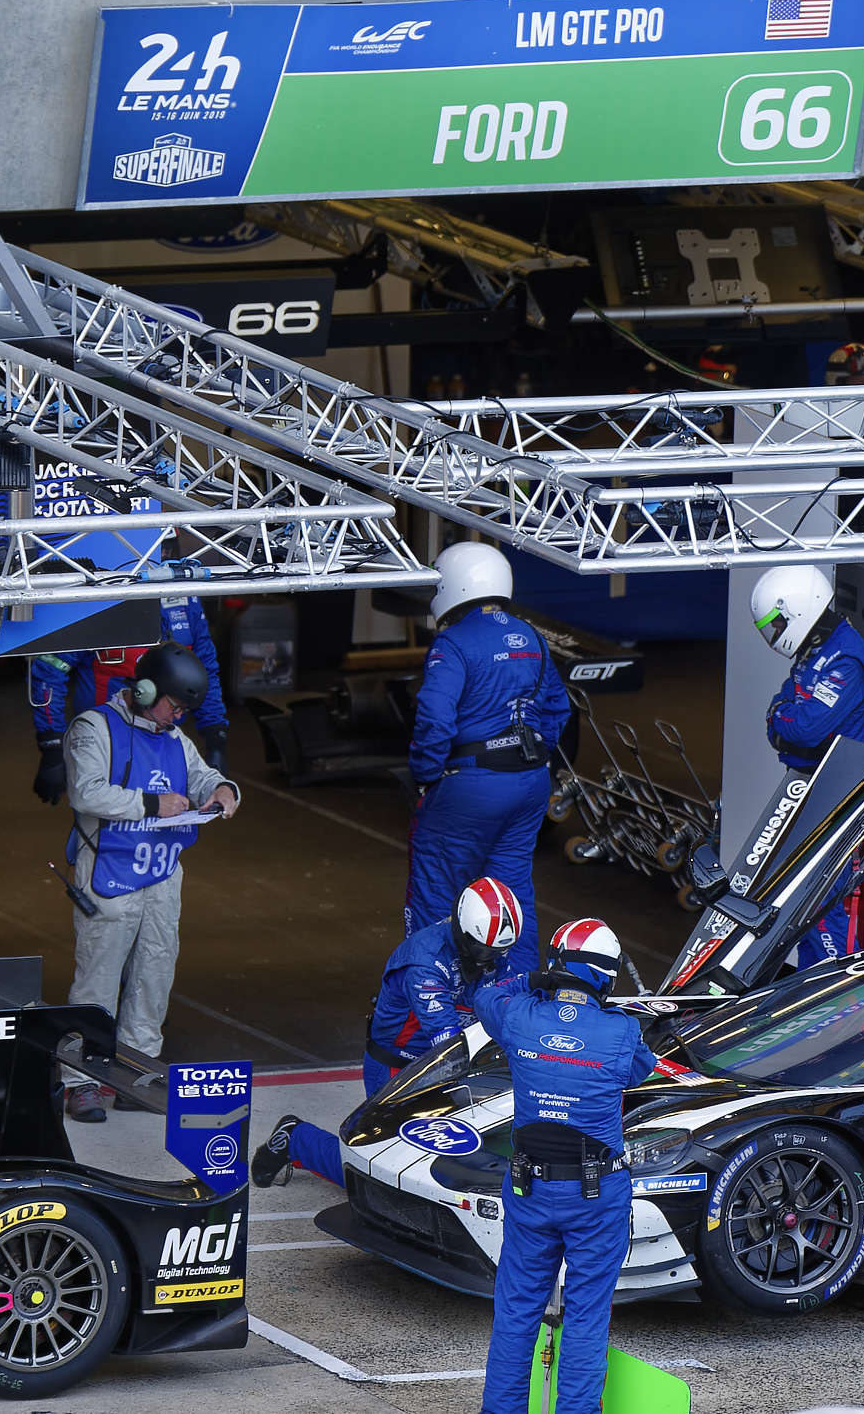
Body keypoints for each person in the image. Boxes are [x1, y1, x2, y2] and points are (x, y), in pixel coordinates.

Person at [475, 919, 657, 1414]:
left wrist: (529, 981)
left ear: (555, 966)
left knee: (516, 1313)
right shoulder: (622, 1029)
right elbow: (641, 1069)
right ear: (607, 976)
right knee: (586, 1318)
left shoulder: (519, 1016)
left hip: (529, 1189)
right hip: (596, 1196)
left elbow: (484, 995)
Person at [252, 878, 525, 1188]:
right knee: (386, 1178)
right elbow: (448, 1041)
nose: (489, 958)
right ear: (463, 933)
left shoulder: (488, 949)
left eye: (497, 952)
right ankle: (296, 1139)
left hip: (445, 1064)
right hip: (399, 1069)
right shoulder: (424, 963)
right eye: (482, 950)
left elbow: (506, 1005)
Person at [62, 643, 239, 1121]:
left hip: (161, 875)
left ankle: (137, 1075)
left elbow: (202, 777)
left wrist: (223, 790)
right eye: (173, 706)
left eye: (183, 711)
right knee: (97, 980)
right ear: (144, 690)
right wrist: (152, 804)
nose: (177, 717)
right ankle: (81, 1081)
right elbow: (86, 792)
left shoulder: (175, 737)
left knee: (154, 975)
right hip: (109, 869)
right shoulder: (93, 727)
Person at [408, 543, 567, 968]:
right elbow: (558, 709)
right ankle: (514, 995)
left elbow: (434, 716)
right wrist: (532, 757)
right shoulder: (532, 637)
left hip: (469, 785)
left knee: (437, 893)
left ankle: (428, 996)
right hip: (529, 783)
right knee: (512, 895)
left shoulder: (453, 642)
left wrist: (425, 773)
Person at [747, 565, 864, 965]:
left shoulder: (847, 658)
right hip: (805, 788)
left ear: (797, 609)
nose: (774, 633)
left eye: (776, 624)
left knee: (819, 904)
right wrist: (783, 718)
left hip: (832, 793)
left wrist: (782, 718)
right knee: (797, 902)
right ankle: (809, 984)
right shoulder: (816, 649)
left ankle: (829, 987)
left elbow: (804, 728)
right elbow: (781, 707)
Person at [31, 593, 229, 804]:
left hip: (162, 742)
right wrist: (52, 743)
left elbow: (204, 670)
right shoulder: (93, 596)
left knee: (170, 814)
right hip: (104, 745)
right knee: (103, 812)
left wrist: (215, 736)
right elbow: (49, 671)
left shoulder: (184, 598)